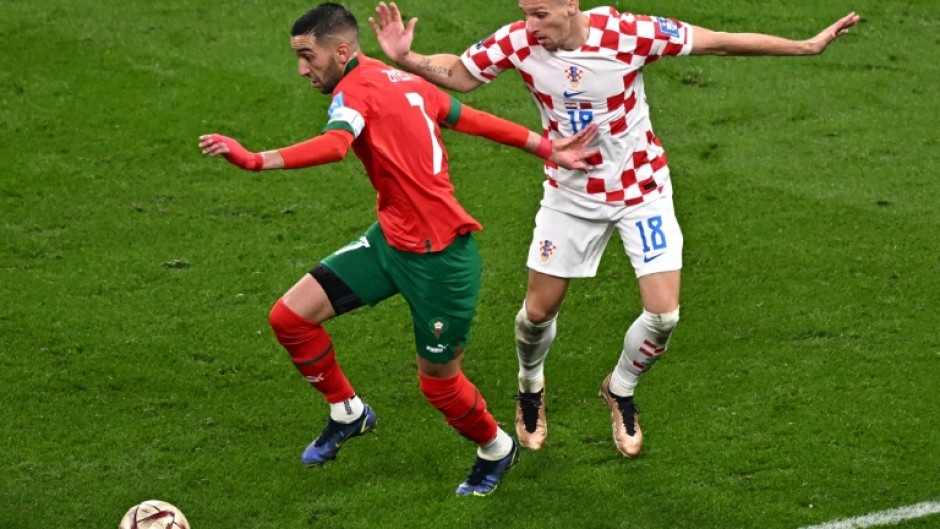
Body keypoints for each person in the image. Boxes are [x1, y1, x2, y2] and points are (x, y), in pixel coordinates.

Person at [370, 1, 859, 457]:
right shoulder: (519, 41)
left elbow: (719, 40)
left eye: (540, 14)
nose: (531, 26)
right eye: (525, 14)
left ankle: (619, 388)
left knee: (664, 317)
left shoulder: (629, 33)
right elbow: (459, 74)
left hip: (641, 190)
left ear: (571, 5)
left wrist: (806, 45)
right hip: (570, 195)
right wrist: (407, 57)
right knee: (538, 313)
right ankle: (529, 383)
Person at [198, 3, 598, 496]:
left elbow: (335, 144)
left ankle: (496, 447)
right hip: (392, 239)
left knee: (438, 384)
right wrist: (545, 146)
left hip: (440, 262)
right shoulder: (398, 79)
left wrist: (256, 160)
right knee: (290, 318)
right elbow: (468, 117)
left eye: (308, 55)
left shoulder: (354, 91)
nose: (303, 68)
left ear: (341, 51)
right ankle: (348, 412)